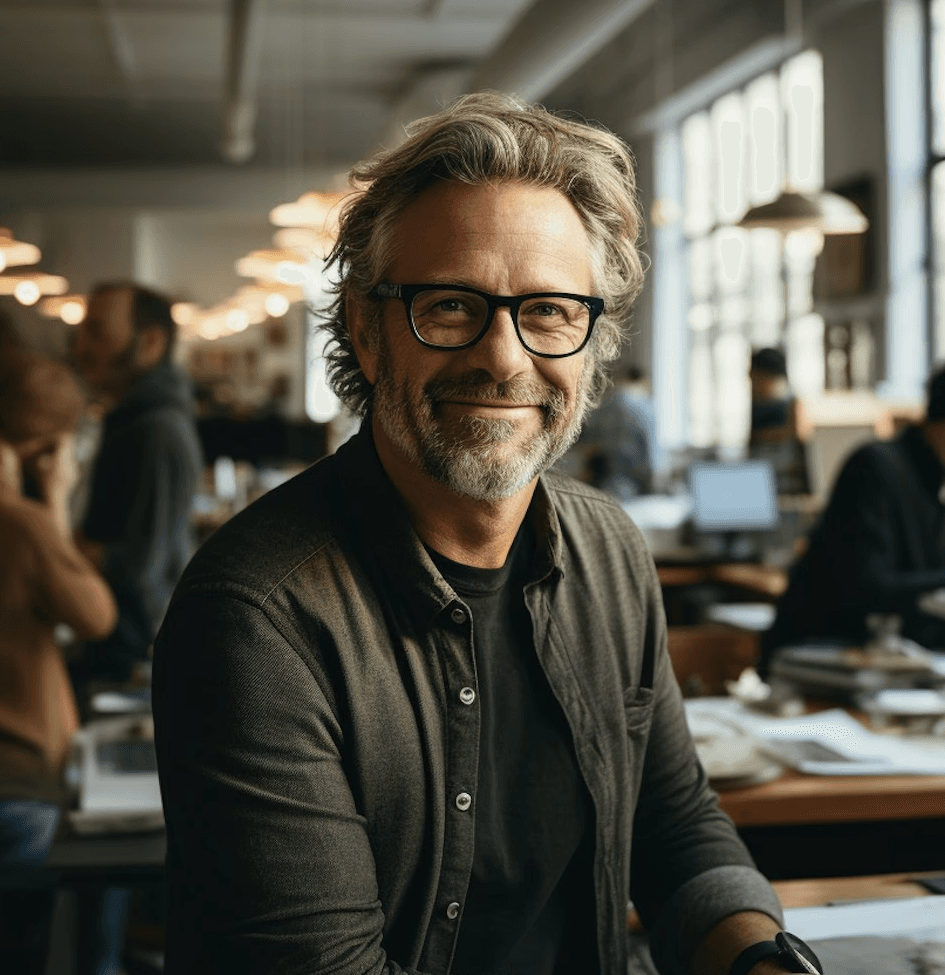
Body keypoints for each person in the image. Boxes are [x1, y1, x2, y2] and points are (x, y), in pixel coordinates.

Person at [153, 93, 818, 975]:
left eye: (547, 310)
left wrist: (759, 961)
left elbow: (674, 823)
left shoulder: (609, 551)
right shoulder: (257, 618)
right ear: (367, 323)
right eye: (452, 304)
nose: (504, 357)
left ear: (590, 341)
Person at [0, 346, 117, 973]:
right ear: (44, 449)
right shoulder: (22, 524)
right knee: (117, 870)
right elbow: (96, 614)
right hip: (16, 794)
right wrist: (56, 503)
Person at [759, 363, 945, 675]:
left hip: (891, 664)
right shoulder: (876, 468)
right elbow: (869, 586)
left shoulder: (933, 480)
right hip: (820, 659)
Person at [70, 282, 204, 688]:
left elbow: (139, 565)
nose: (79, 345)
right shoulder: (134, 420)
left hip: (134, 654)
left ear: (149, 343)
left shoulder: (155, 429)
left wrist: (52, 538)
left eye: (96, 331)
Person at [575, 363, 658, 498]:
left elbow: (588, 439)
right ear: (641, 381)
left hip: (605, 477)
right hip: (633, 479)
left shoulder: (606, 403)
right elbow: (651, 447)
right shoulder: (644, 406)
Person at [747, 347, 811, 495]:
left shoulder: (792, 404)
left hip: (787, 483)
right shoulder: (755, 407)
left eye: (756, 378)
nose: (752, 384)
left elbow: (799, 434)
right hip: (760, 479)